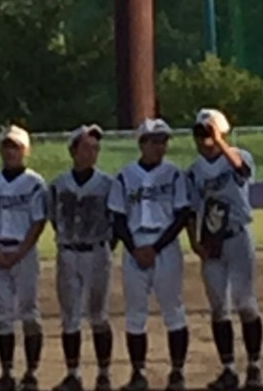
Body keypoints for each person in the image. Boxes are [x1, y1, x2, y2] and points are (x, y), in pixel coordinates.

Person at [108, 118, 191, 391]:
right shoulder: (124, 176)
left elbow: (181, 216)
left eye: (164, 141)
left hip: (164, 245)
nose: (160, 146)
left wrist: (154, 248)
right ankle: (138, 373)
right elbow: (118, 219)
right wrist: (134, 249)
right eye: (155, 141)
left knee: (174, 311)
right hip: (136, 243)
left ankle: (177, 372)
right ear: (142, 143)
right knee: (135, 314)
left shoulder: (174, 174)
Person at [186, 109, 263, 391]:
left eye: (207, 132)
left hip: (238, 235)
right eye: (199, 133)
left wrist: (220, 142)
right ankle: (228, 369)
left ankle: (254, 366)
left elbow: (243, 171)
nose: (201, 139)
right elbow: (191, 209)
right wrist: (194, 241)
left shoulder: (238, 155)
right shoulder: (194, 170)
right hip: (211, 242)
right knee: (219, 307)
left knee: (246, 303)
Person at [0, 126, 48, 391]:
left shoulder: (35, 183)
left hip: (24, 252)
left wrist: (20, 251)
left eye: (16, 147)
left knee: (29, 313)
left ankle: (30, 372)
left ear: (26, 151)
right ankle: (7, 372)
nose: (10, 152)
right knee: (4, 315)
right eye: (6, 146)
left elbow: (38, 222)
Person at [49, 124, 115, 391]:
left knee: (99, 314)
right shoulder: (57, 185)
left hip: (97, 251)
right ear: (73, 151)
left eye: (95, 148)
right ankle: (73, 374)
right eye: (86, 147)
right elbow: (54, 218)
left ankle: (103, 374)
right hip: (68, 252)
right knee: (70, 317)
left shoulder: (107, 184)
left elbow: (116, 219)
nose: (92, 153)